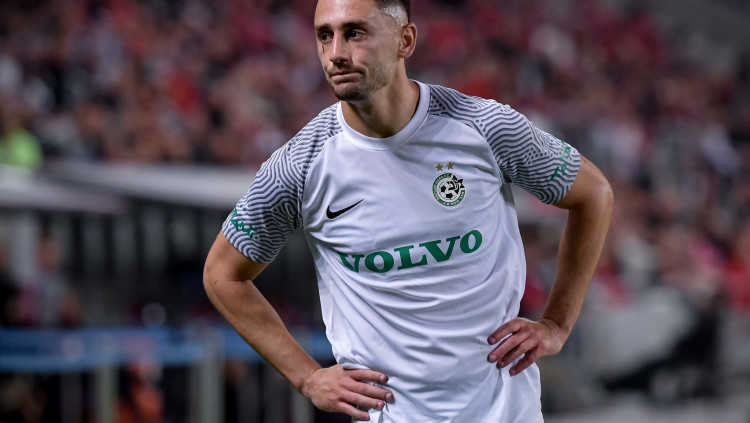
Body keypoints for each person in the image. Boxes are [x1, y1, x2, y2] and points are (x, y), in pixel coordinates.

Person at [203, 0, 613, 421]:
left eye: (355, 33)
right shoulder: (300, 166)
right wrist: (307, 377)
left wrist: (557, 324)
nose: (335, 53)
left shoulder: (484, 128)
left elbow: (593, 194)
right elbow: (222, 274)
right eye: (325, 35)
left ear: (406, 40)